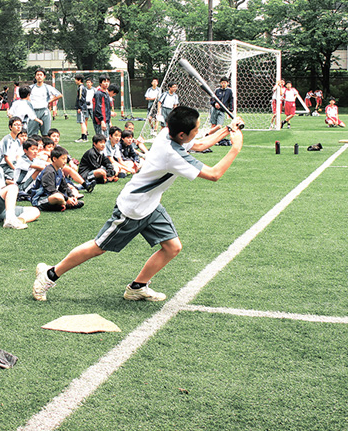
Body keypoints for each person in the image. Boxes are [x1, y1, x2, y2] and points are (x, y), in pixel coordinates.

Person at [33, 107, 245, 302]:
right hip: (133, 209)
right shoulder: (173, 154)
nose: (198, 133)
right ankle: (50, 274)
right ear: (182, 134)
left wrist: (227, 129)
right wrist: (235, 148)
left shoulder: (167, 133)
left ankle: (137, 286)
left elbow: (199, 144)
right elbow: (214, 174)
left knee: (172, 247)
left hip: (151, 205)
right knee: (98, 247)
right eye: (196, 129)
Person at [30, 146, 84, 212]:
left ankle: (63, 205)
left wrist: (72, 196)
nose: (65, 161)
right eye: (63, 159)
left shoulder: (59, 170)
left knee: (73, 191)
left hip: (52, 196)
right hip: (40, 199)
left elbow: (65, 187)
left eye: (66, 159)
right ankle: (66, 204)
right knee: (58, 197)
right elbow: (51, 191)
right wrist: (67, 199)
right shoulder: (48, 171)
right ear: (55, 159)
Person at [28, 68, 62, 136]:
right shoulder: (31, 88)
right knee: (32, 135)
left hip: (44, 111)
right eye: (37, 75)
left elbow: (59, 95)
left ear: (44, 77)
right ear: (35, 76)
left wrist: (49, 101)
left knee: (46, 134)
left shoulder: (48, 87)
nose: (39, 76)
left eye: (41, 75)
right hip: (33, 112)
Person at [74, 75, 90, 143]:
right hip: (83, 107)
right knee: (82, 122)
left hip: (82, 108)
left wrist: (79, 107)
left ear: (79, 80)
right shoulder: (82, 87)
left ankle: (84, 137)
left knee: (82, 122)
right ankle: (84, 136)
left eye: (76, 79)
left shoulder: (81, 88)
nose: (75, 81)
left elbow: (81, 98)